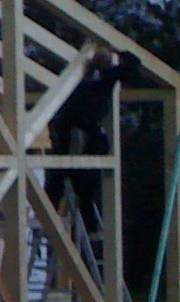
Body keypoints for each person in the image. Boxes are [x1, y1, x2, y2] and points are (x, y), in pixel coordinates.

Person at [44, 48, 141, 233]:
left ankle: (85, 222)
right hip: (73, 129)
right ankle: (55, 213)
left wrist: (118, 53)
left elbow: (134, 64)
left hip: (82, 130)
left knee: (77, 179)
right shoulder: (80, 76)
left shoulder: (106, 77)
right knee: (64, 174)